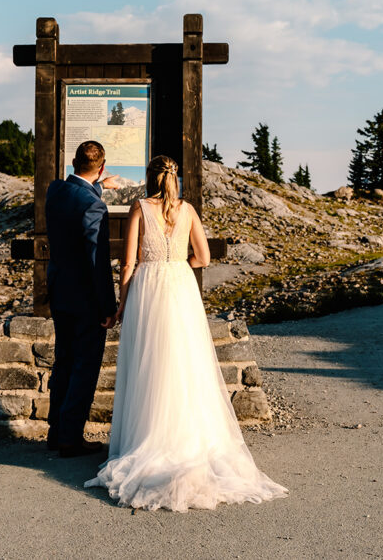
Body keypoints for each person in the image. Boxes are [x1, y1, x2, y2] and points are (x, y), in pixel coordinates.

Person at [84, 155, 288, 511]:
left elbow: (129, 262)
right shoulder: (188, 210)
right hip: (180, 287)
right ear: (175, 179)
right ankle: (190, 439)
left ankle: (149, 437)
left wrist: (121, 304)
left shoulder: (139, 207)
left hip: (149, 288)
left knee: (150, 362)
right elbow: (204, 258)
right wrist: (178, 264)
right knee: (185, 361)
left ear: (150, 178)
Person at [44, 141, 119, 458]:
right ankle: (71, 438)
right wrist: (107, 306)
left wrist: (98, 187)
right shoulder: (93, 206)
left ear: (73, 162)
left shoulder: (55, 191)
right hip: (86, 300)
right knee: (85, 366)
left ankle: (56, 431)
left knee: (63, 361)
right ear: (101, 168)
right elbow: (95, 261)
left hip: (60, 292)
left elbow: (79, 196)